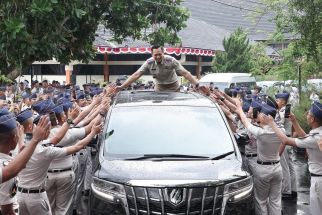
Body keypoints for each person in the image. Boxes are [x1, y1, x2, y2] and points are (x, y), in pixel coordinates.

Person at [263, 101, 322, 215]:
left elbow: (285, 140)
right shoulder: (317, 134)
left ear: (313, 119)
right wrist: (294, 121)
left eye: (309, 113)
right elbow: (305, 137)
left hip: (318, 182)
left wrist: (272, 124)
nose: (306, 114)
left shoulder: (316, 138)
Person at [115, 45, 199, 92]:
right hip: (159, 87)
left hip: (173, 86)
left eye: (160, 54)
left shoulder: (171, 60)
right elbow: (136, 74)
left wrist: (197, 84)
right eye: (155, 55)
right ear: (152, 54)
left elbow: (185, 73)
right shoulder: (149, 62)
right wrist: (122, 86)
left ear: (163, 53)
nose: (158, 56)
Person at [275, 92, 297, 200]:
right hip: (289, 139)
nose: (276, 102)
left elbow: (279, 125)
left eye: (278, 100)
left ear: (283, 101)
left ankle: (286, 190)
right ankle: (293, 189)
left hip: (284, 140)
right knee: (291, 166)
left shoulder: (282, 112)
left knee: (284, 167)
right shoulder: (289, 111)